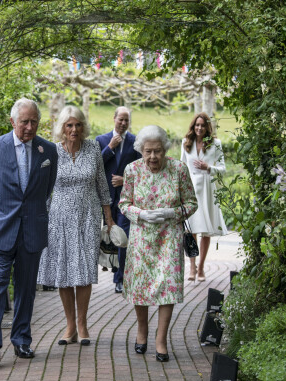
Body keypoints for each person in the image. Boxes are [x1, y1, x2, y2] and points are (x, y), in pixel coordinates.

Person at [0, 98, 58, 363]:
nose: (30, 127)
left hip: (31, 229)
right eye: (24, 121)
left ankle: (21, 340)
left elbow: (46, 190)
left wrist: (31, 213)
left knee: (25, 289)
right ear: (13, 122)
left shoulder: (49, 151)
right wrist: (5, 211)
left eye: (34, 121)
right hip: (0, 229)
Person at [37, 106, 115, 346]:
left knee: (83, 271)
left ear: (84, 127)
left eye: (78, 125)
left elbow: (102, 184)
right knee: (64, 271)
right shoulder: (51, 151)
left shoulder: (93, 148)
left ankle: (82, 324)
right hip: (58, 218)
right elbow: (43, 186)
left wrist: (109, 218)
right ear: (62, 127)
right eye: (69, 125)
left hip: (88, 218)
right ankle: (70, 325)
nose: (74, 129)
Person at [119, 125, 197, 362]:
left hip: (169, 239)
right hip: (142, 238)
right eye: (148, 151)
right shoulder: (132, 170)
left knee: (168, 287)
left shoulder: (178, 170)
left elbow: (192, 203)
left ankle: (161, 339)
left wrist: (171, 213)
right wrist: (141, 214)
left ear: (165, 150)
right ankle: (142, 330)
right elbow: (123, 204)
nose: (153, 157)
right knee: (141, 286)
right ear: (141, 150)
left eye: (158, 151)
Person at [95, 106, 141, 293]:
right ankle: (111, 267)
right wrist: (110, 148)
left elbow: (140, 170)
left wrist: (125, 179)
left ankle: (119, 278)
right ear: (114, 118)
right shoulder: (101, 140)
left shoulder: (135, 141)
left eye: (126, 120)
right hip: (105, 198)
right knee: (107, 237)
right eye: (120, 119)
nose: (123, 123)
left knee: (123, 238)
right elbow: (95, 166)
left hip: (126, 199)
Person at [180, 112, 228, 282]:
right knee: (191, 229)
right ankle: (191, 267)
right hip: (191, 189)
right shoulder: (186, 143)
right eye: (196, 125)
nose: (199, 128)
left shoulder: (216, 144)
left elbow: (223, 168)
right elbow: (182, 168)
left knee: (206, 231)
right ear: (193, 126)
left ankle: (201, 267)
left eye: (202, 125)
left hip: (208, 189)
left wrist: (209, 167)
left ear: (207, 127)